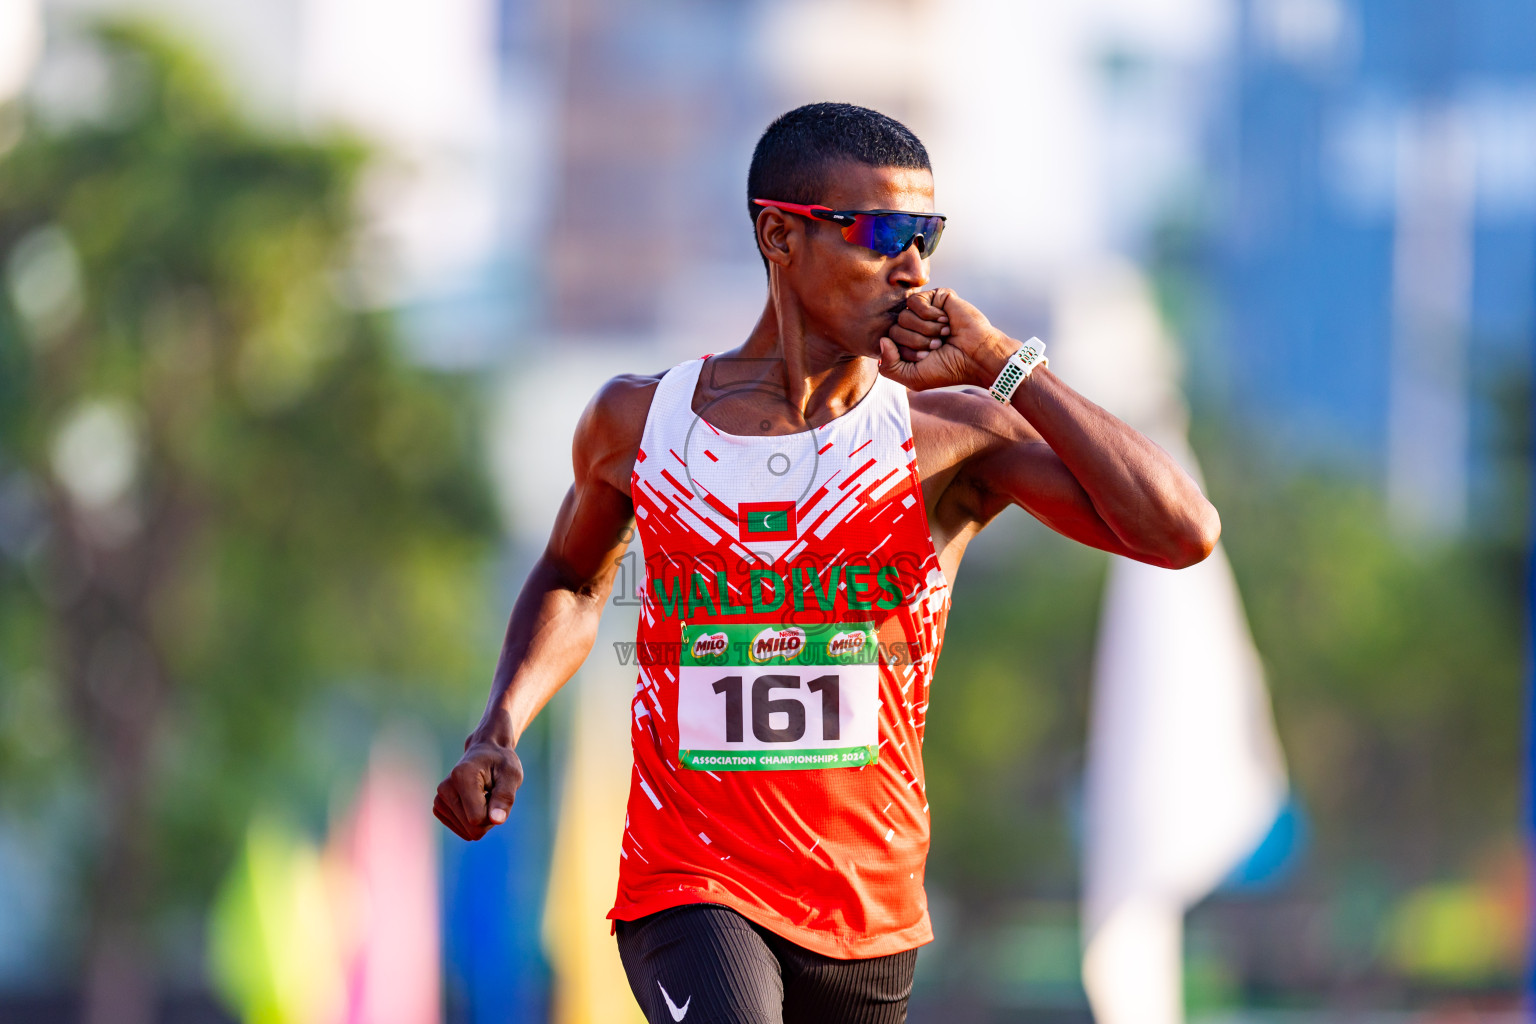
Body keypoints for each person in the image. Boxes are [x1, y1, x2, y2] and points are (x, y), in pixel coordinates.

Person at [433, 102, 1220, 1023]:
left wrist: (1006, 363)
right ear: (779, 236)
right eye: (881, 232)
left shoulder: (948, 439)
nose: (914, 267)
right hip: (691, 883)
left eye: (926, 235)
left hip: (868, 910)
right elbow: (574, 577)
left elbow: (1182, 534)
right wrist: (500, 724)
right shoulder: (642, 423)